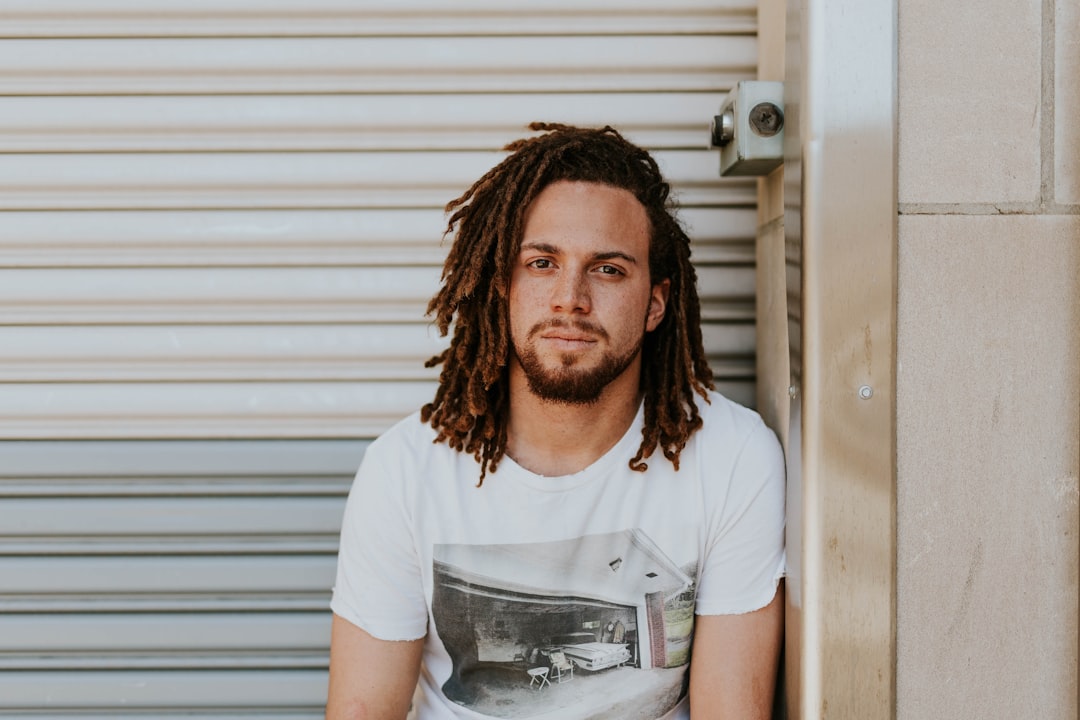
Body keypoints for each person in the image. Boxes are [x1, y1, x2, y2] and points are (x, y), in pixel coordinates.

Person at [326, 123, 785, 720]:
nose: (570, 297)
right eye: (542, 263)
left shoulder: (733, 457)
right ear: (503, 287)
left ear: (655, 303)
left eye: (609, 269)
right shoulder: (405, 469)